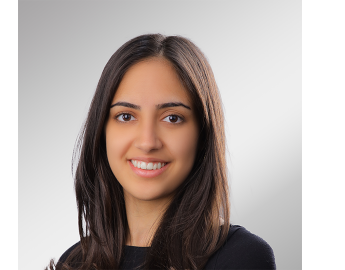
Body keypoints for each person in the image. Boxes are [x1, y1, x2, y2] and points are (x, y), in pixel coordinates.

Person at [45, 34, 276, 270]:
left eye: (172, 118)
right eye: (126, 116)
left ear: (203, 134)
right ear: (101, 130)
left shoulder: (241, 257)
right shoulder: (74, 262)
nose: (147, 142)